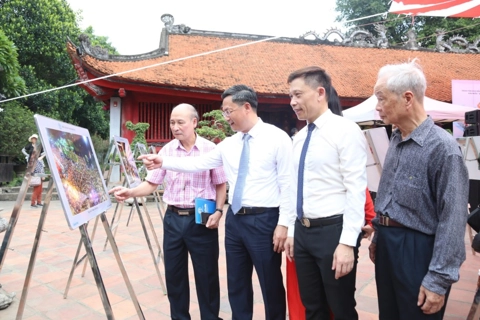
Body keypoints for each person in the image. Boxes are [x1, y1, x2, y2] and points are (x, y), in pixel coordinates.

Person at [139, 85, 294, 320]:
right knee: (237, 283)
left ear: (247, 107)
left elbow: (288, 184)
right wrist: (162, 160)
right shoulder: (228, 145)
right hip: (235, 221)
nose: (226, 117)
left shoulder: (277, 138)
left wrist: (284, 224)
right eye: (223, 111)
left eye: (228, 111)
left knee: (269, 281)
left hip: (265, 220)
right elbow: (196, 164)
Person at [368, 60, 469, 319]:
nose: (377, 107)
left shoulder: (443, 148)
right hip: (389, 247)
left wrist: (438, 280)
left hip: (418, 250)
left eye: (381, 98)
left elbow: (453, 219)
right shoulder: (396, 138)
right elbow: (389, 195)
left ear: (408, 98)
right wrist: (380, 235)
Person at [109, 103, 227, 320]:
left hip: (201, 218)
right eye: (172, 122)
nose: (175, 127)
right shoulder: (166, 151)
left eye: (180, 122)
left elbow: (220, 184)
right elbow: (151, 184)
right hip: (172, 218)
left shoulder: (211, 149)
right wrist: (130, 192)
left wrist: (219, 211)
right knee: (174, 275)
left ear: (194, 122)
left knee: (207, 275)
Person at [285, 66, 367, 319]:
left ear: (320, 92)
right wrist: (291, 230)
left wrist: (346, 243)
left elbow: (356, 188)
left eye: (298, 95)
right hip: (303, 232)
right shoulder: (299, 138)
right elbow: (292, 187)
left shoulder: (346, 130)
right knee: (313, 307)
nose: (292, 102)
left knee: (341, 307)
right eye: (290, 96)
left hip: (332, 233)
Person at [23, 134, 46, 208]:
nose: (34, 140)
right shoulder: (30, 148)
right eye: (33, 138)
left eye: (35, 138)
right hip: (34, 168)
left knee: (40, 186)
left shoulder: (39, 147)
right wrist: (27, 156)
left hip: (39, 165)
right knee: (37, 186)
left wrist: (41, 157)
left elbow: (44, 153)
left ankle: (39, 201)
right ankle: (33, 203)